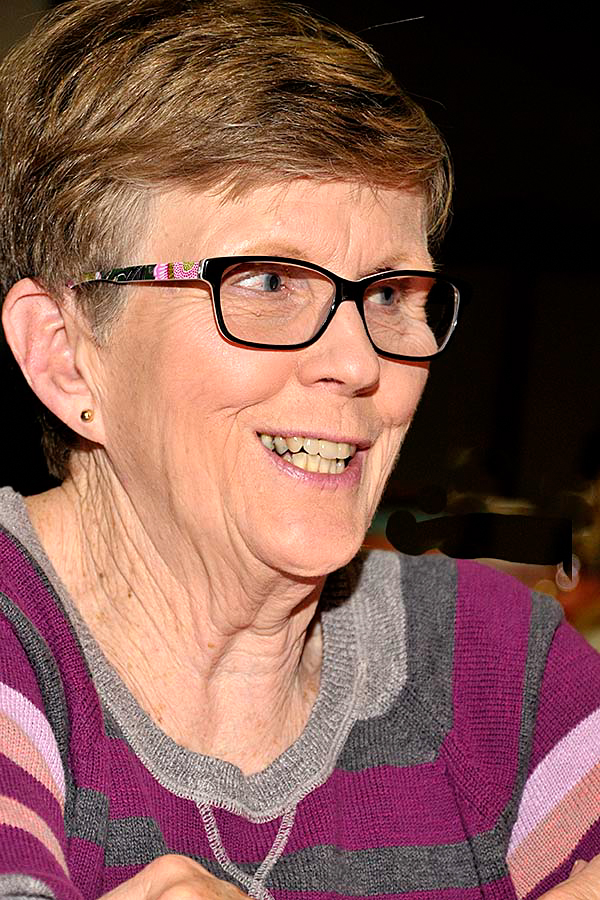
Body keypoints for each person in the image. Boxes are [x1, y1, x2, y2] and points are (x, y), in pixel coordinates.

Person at [0, 2, 599, 899]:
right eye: (268, 282)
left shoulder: (498, 667)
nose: (359, 364)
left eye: (391, 294)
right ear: (66, 354)